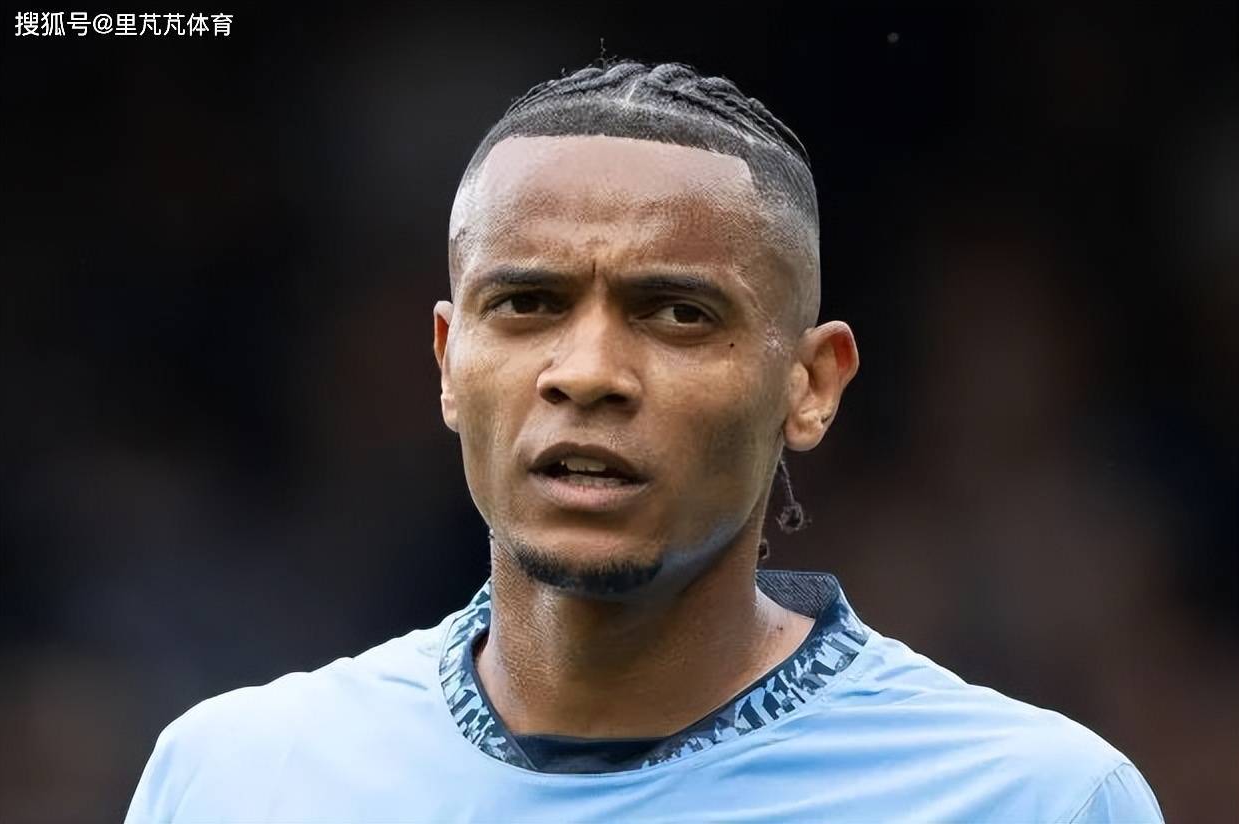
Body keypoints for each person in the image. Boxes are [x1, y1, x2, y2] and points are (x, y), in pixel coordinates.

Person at [125, 60, 1163, 822]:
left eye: (676, 313)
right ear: (447, 360)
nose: (587, 371)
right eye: (527, 303)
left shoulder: (1033, 799)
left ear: (811, 385)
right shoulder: (234, 779)